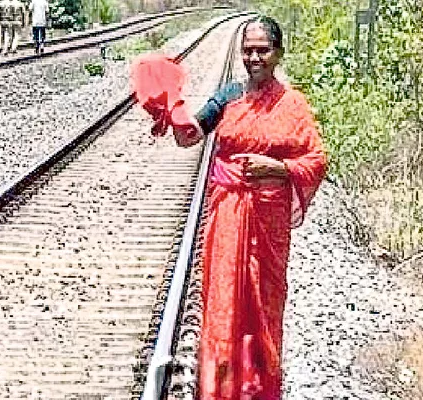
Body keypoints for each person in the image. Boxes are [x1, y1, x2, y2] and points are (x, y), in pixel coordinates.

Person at [131, 16, 327, 399]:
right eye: (248, 50)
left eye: (263, 50)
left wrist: (279, 167)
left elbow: (316, 160)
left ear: (278, 53)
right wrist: (171, 103)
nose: (254, 57)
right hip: (227, 217)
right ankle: (219, 390)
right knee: (223, 304)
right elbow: (189, 138)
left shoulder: (294, 105)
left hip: (269, 225)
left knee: (265, 307)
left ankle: (259, 390)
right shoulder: (227, 97)